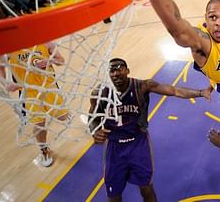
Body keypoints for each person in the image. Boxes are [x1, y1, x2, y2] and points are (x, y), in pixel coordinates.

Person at [88, 58, 212, 202]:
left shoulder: (142, 86)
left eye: (119, 68)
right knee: (113, 196)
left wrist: (201, 92)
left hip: (138, 144)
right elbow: (93, 117)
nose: (115, 73)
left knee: (146, 188)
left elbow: (174, 90)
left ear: (127, 71)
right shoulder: (100, 93)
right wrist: (94, 131)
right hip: (114, 147)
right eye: (112, 70)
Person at [0, 42, 67, 167]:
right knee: (39, 123)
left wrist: (49, 61)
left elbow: (61, 60)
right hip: (28, 92)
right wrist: (5, 82)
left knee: (63, 117)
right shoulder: (8, 48)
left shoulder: (46, 42)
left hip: (49, 87)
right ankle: (44, 149)